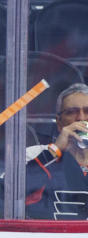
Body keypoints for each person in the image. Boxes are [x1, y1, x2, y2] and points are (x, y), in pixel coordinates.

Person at [25, 84, 88, 220]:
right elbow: (9, 191)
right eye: (72, 112)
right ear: (59, 123)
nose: (81, 118)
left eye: (87, 111)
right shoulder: (34, 153)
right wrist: (54, 150)